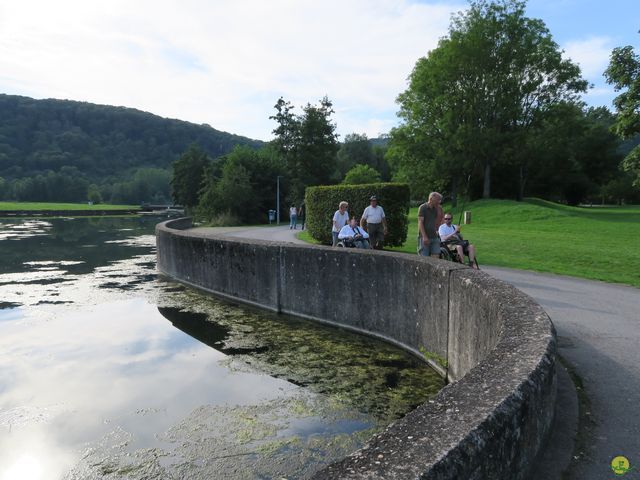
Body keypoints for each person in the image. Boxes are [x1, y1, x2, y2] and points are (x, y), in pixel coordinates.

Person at [418, 192, 444, 258]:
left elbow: (438, 221)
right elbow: (420, 222)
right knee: (424, 258)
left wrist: (437, 230)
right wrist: (424, 236)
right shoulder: (423, 207)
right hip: (425, 237)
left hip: (434, 236)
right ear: (431, 198)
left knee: (436, 256)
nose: (439, 202)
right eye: (438, 200)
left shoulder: (436, 209)